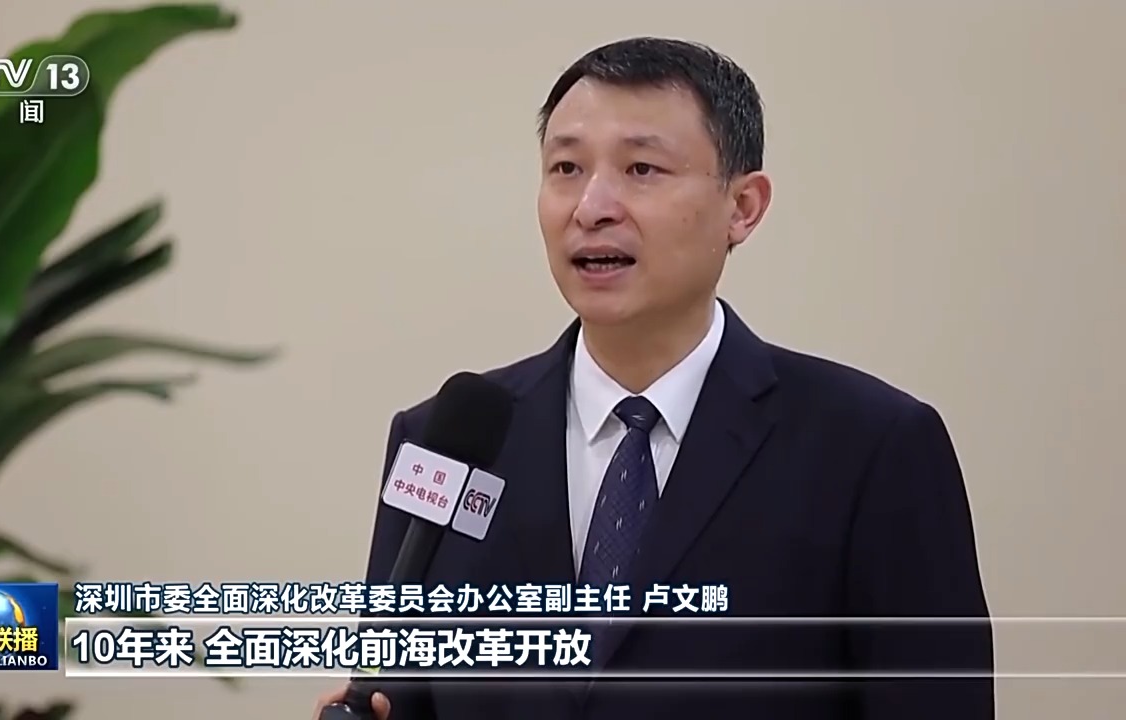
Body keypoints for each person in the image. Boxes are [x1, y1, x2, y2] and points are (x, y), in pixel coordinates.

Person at [314, 36, 993, 720]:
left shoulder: (872, 449)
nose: (592, 207)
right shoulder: (447, 441)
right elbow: (395, 694)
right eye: (567, 167)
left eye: (641, 168)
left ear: (743, 206)